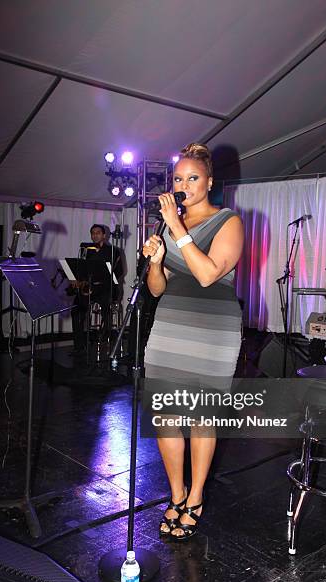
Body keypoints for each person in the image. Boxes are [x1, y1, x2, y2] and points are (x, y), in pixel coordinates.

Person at [142, 143, 244, 540]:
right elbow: (156, 289)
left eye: (193, 178)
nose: (184, 184)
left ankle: (197, 496)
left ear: (210, 181)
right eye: (179, 178)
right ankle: (177, 493)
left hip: (213, 331)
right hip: (170, 325)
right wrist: (154, 261)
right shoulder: (169, 225)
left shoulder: (228, 221)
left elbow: (207, 274)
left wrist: (179, 230)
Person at [71, 224, 122, 353]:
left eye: (98, 232)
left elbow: (119, 271)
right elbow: (80, 268)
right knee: (76, 309)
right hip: (88, 287)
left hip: (106, 287)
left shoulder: (113, 251)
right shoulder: (86, 249)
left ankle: (104, 338)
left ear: (104, 235)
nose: (95, 235)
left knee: (106, 306)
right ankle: (79, 344)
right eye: (93, 233)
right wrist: (77, 279)